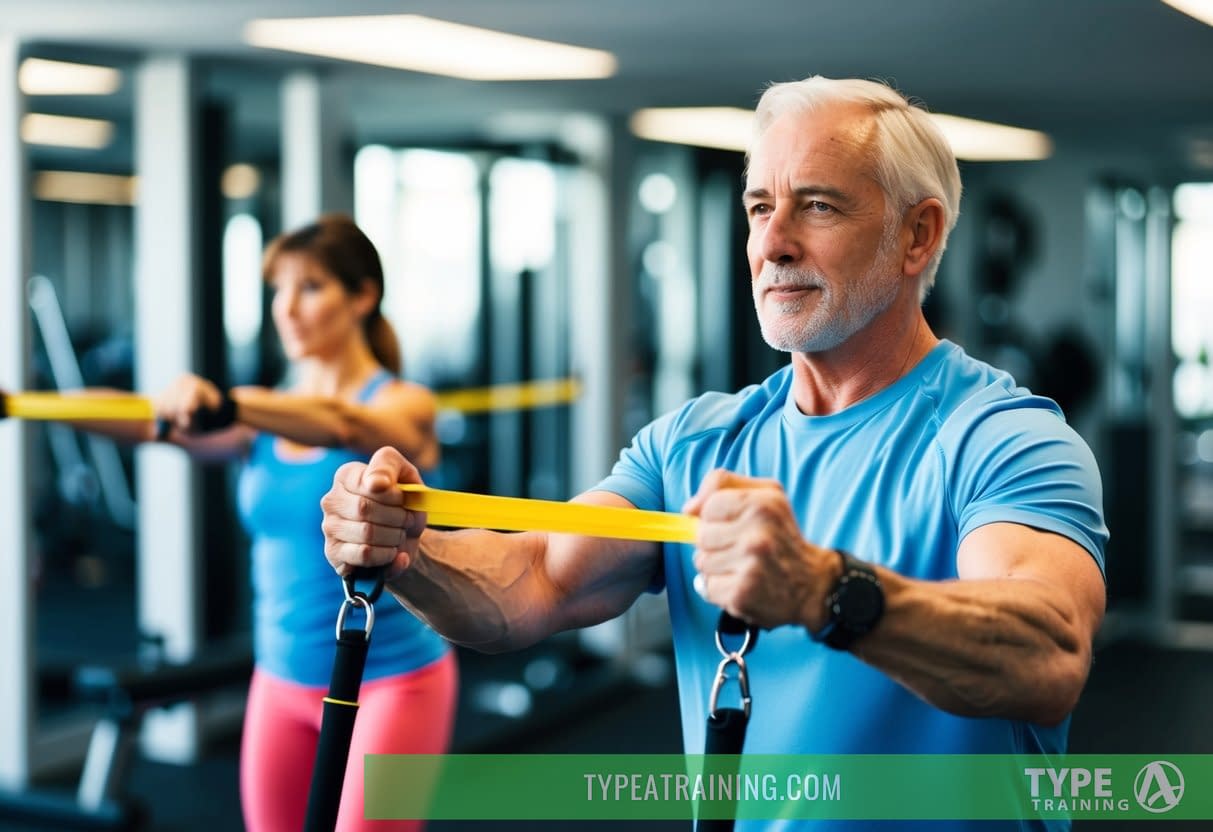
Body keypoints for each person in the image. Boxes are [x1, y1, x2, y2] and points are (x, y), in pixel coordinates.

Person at [319, 78, 1107, 831]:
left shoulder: (1003, 437)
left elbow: (1048, 651)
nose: (772, 242)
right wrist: (407, 556)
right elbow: (534, 580)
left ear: (917, 234)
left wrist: (827, 591)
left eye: (817, 206)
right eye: (759, 207)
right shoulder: (694, 443)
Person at [56, 214, 457, 831]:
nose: (286, 309)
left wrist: (229, 403)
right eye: (278, 290)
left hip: (392, 681)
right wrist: (33, 402)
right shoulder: (262, 416)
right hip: (280, 678)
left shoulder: (401, 402)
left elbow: (342, 423)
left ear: (363, 297)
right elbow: (143, 425)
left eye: (310, 288)